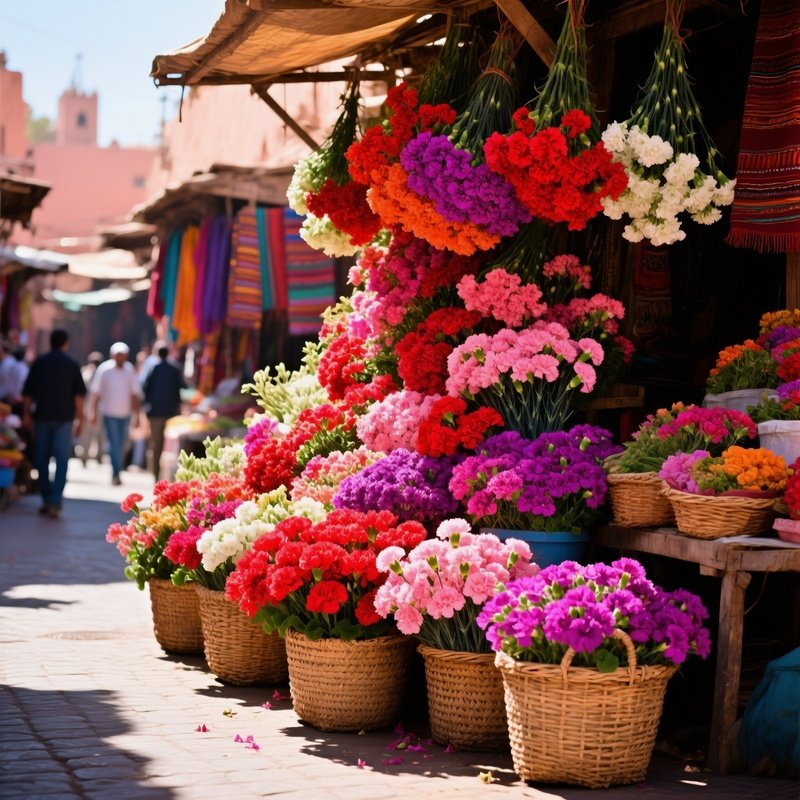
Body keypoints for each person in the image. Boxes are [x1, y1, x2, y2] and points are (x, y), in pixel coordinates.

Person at [21, 329, 86, 518]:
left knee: (41, 459)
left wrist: (26, 414)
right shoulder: (72, 364)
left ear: (50, 342)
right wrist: (80, 419)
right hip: (64, 419)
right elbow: (79, 397)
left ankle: (48, 497)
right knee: (61, 459)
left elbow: (27, 392)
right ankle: (55, 500)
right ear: (65, 343)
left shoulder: (39, 363)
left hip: (42, 417)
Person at [89, 342, 141, 486]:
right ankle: (116, 472)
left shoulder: (130, 370)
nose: (120, 358)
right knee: (113, 443)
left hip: (125, 414)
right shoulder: (104, 370)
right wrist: (92, 412)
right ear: (113, 355)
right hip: (109, 413)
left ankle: (117, 470)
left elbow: (135, 394)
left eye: (122, 355)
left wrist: (137, 415)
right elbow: (96, 393)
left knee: (121, 444)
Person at [142, 344, 186, 481]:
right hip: (172, 414)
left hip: (155, 413)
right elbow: (183, 386)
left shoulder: (153, 368)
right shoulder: (175, 369)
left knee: (157, 445)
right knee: (172, 446)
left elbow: (145, 388)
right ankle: (170, 477)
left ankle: (156, 476)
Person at [77, 351, 104, 466]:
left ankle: (92, 455)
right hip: (91, 406)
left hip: (93, 406)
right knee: (96, 433)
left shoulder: (101, 373)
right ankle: (91, 455)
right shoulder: (87, 373)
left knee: (93, 433)